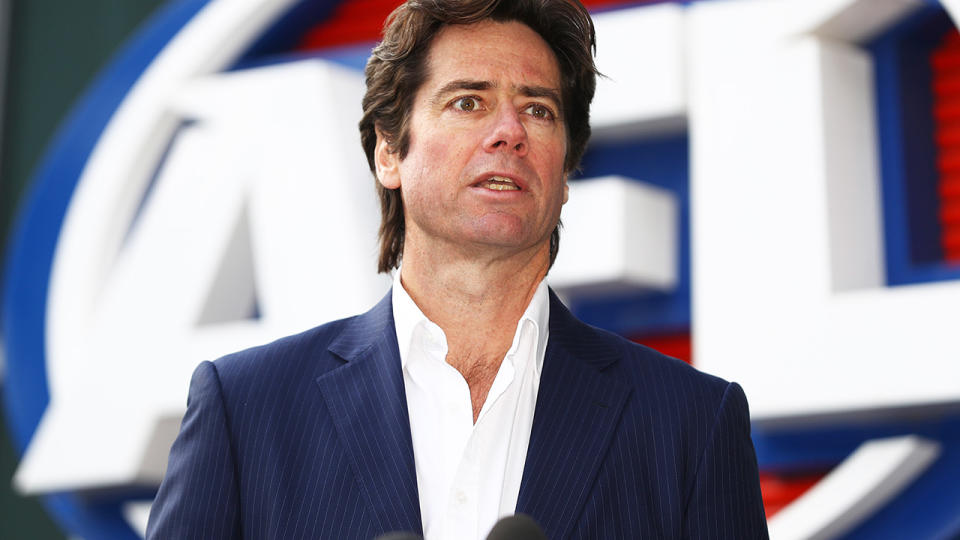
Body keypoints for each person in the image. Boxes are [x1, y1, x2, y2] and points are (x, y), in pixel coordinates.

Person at [146, 0, 769, 538]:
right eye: (468, 102)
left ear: (566, 174)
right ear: (389, 152)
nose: (509, 132)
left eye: (539, 110)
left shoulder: (691, 424)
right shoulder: (246, 411)